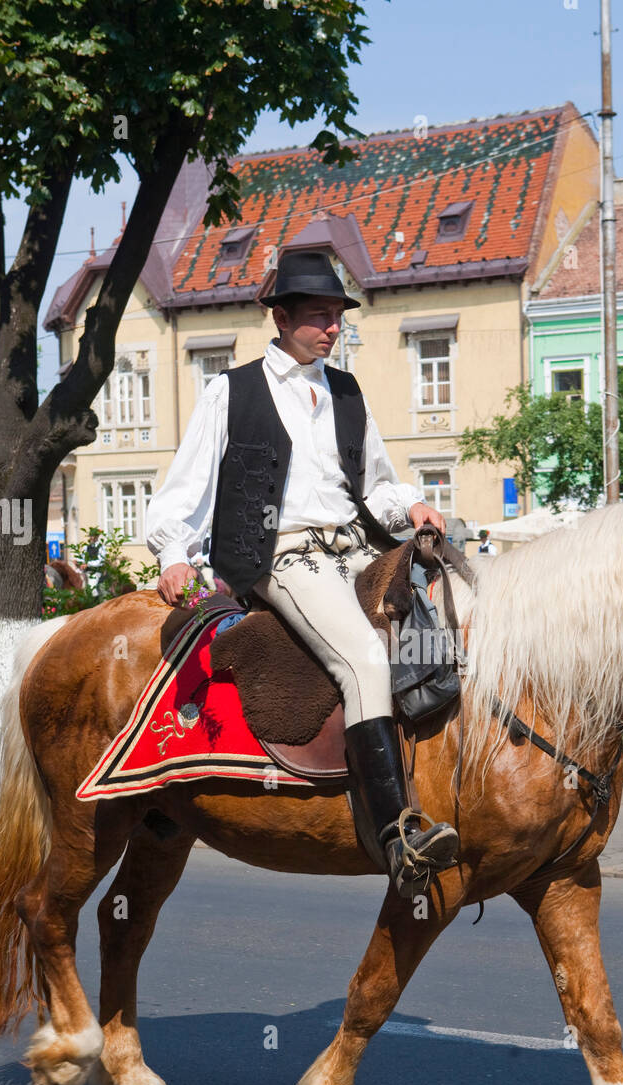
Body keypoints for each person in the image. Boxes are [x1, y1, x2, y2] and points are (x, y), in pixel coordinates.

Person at [146, 248, 459, 897]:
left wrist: (414, 505)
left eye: (337, 315)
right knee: (366, 662)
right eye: (318, 314)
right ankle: (396, 838)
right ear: (281, 317)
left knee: (448, 620)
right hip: (280, 556)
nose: (332, 326)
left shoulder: (345, 391)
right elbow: (183, 493)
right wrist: (173, 554)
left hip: (357, 549)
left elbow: (376, 489)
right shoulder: (230, 392)